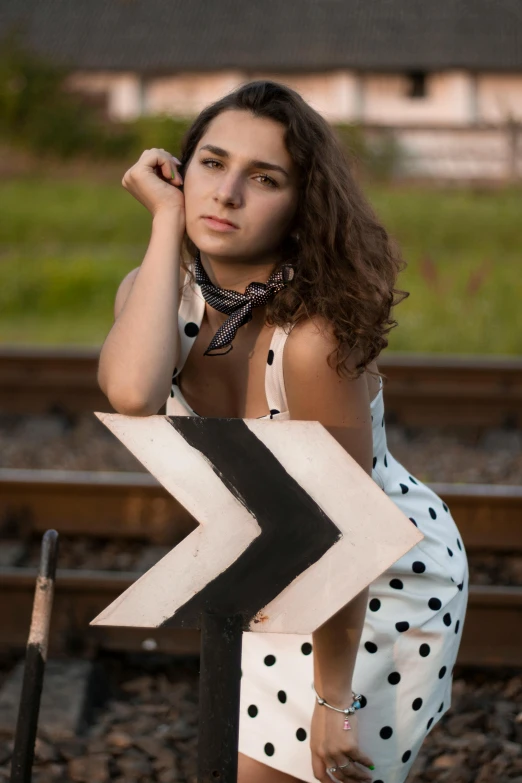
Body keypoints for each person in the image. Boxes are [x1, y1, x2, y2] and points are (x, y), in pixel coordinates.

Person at [97, 80, 469, 783]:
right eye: (211, 163)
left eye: (262, 178)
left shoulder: (311, 340)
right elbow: (130, 393)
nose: (226, 193)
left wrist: (335, 697)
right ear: (179, 172)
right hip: (272, 568)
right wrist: (164, 224)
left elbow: (347, 529)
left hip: (377, 587)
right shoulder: (153, 294)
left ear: (302, 205)